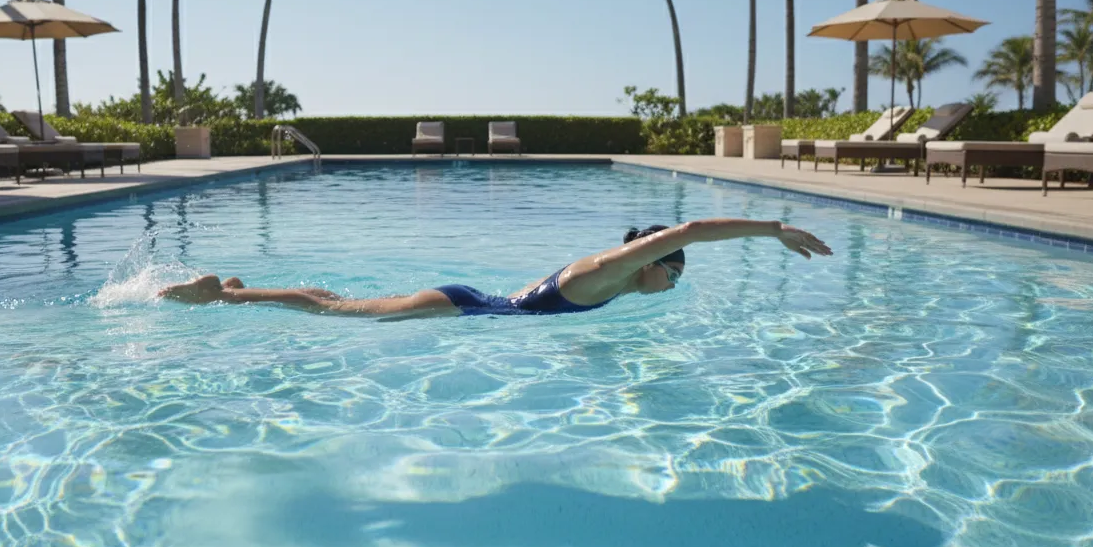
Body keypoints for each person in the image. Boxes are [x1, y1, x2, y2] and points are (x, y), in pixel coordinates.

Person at [157, 218, 832, 320]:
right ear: (654, 261)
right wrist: (771, 231)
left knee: (342, 301)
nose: (673, 282)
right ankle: (223, 297)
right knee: (342, 315)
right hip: (466, 311)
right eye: (673, 272)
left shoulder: (615, 284)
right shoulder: (608, 270)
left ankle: (241, 290)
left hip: (474, 303)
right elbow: (687, 230)